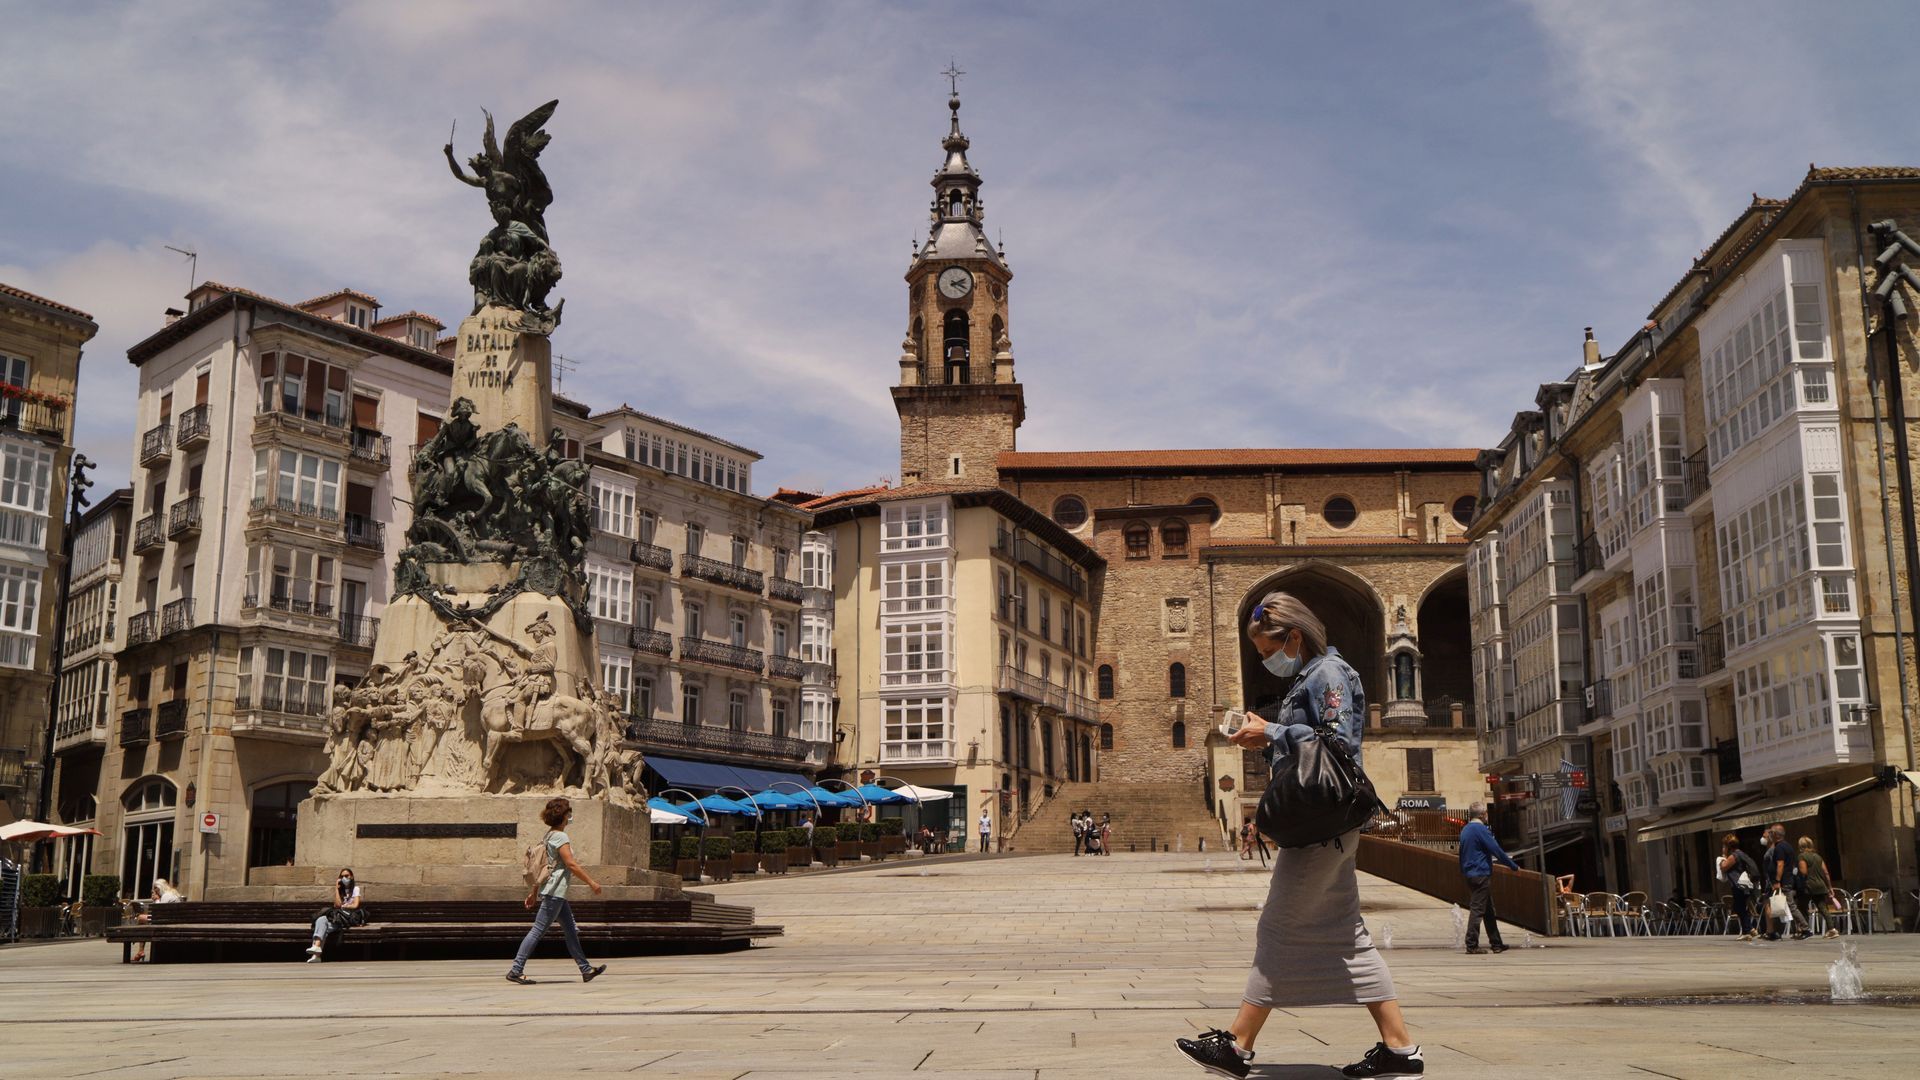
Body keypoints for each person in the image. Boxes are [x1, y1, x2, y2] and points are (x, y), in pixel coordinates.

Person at [1176, 591, 1420, 1079]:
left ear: (1293, 636)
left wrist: (1270, 732)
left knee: (1278, 926)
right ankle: (1399, 1050)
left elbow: (1337, 745)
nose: (1267, 662)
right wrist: (1265, 735)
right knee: (1348, 937)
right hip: (1326, 825)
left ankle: (1238, 1045)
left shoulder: (1328, 674)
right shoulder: (1313, 675)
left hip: (1323, 827)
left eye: (1268, 651)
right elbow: (1309, 747)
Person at [507, 797, 607, 984]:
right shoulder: (561, 837)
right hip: (555, 893)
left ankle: (586, 969)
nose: (570, 816)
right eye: (569, 813)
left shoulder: (549, 835)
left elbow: (545, 867)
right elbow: (571, 864)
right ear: (563, 816)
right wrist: (592, 882)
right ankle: (515, 969)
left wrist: (535, 892)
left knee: (570, 931)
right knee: (537, 931)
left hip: (554, 892)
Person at [1457, 805, 1518, 955]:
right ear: (1483, 815)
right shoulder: (1481, 830)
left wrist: (1464, 870)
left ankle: (1496, 943)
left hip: (1470, 874)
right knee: (1477, 909)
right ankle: (1471, 944)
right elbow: (1496, 849)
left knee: (1488, 910)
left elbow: (1461, 853)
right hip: (1481, 874)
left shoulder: (1465, 830)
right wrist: (1512, 866)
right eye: (1486, 814)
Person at [305, 868, 366, 962]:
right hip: (337, 919)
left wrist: (346, 906)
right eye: (342, 876)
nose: (344, 878)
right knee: (321, 920)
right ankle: (316, 951)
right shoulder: (340, 890)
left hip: (346, 920)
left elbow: (355, 905)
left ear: (351, 876)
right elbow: (337, 905)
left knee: (323, 929)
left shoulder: (355, 889)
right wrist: (336, 889)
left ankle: (316, 955)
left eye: (346, 876)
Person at [1762, 825, 1807, 941]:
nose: (1769, 835)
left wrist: (1777, 881)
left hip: (1783, 882)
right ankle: (1777, 932)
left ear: (1776, 835)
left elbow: (1780, 864)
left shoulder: (1779, 848)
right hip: (1786, 880)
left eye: (1771, 832)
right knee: (1781, 906)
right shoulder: (1787, 846)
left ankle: (1805, 928)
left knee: (1789, 906)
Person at [1717, 833, 1760, 939]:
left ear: (1728, 846)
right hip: (1744, 885)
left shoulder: (1734, 855)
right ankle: (1750, 929)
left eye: (1724, 846)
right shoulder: (1741, 853)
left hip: (1739, 885)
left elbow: (1724, 867)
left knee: (1739, 907)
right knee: (1741, 907)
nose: (1723, 848)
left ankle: (1746, 932)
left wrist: (1723, 857)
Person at [129, 879, 183, 963]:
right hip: (170, 920)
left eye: (155, 888)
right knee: (142, 920)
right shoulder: (173, 893)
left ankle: (140, 947)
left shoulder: (166, 895)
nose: (154, 891)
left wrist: (156, 900)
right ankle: (140, 949)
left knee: (140, 918)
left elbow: (158, 913)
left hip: (165, 922)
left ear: (160, 887)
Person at [1796, 836, 1840, 939]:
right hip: (1821, 886)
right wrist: (1830, 887)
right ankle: (1832, 929)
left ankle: (1804, 930)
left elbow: (1803, 872)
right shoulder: (1818, 857)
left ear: (1800, 846)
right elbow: (1826, 873)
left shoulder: (1802, 856)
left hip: (1808, 886)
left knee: (1802, 908)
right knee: (1823, 908)